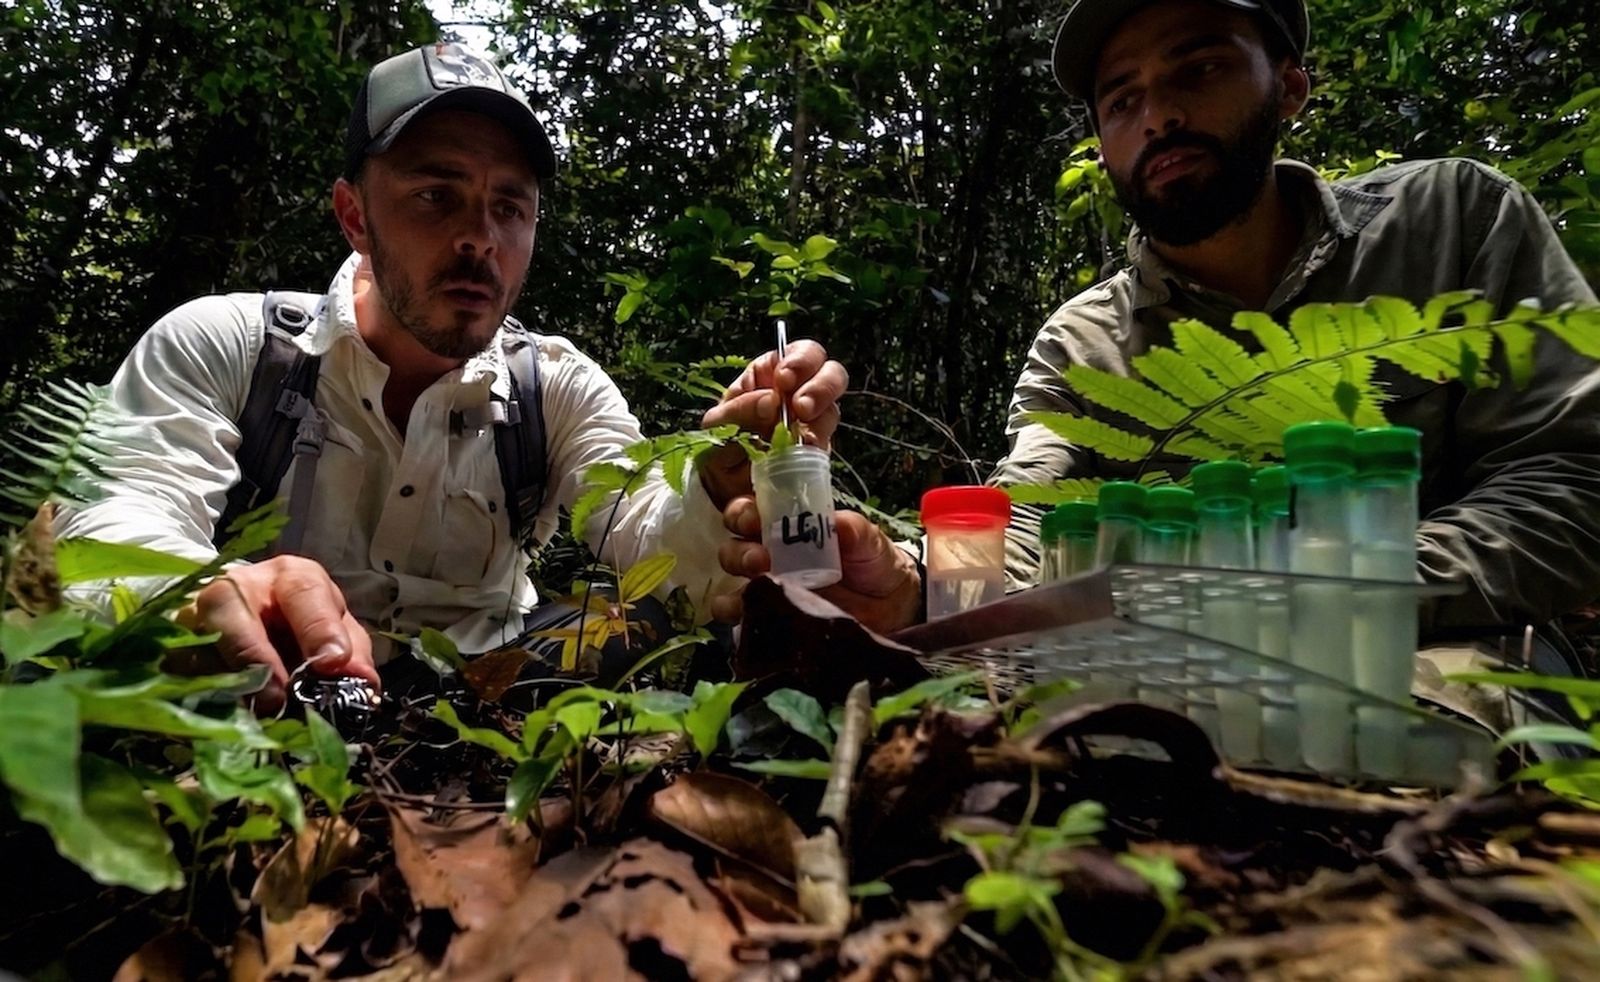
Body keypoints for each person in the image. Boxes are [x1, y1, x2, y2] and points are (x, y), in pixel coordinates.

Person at [734, 0, 1600, 725]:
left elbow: (1574, 477)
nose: (1159, 116)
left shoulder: (1453, 224)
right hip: (1162, 679)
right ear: (1103, 144)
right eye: (1122, 100)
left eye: (1200, 69)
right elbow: (1032, 516)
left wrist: (1314, 589)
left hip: (1447, 660)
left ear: (1291, 83)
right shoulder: (1084, 340)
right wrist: (914, 582)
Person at [58, 42, 848, 711]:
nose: (480, 238)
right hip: (274, 692)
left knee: (638, 633)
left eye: (510, 208)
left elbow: (641, 527)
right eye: (437, 196)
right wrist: (215, 592)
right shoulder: (230, 346)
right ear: (354, 215)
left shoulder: (555, 387)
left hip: (498, 704)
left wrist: (715, 486)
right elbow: (121, 514)